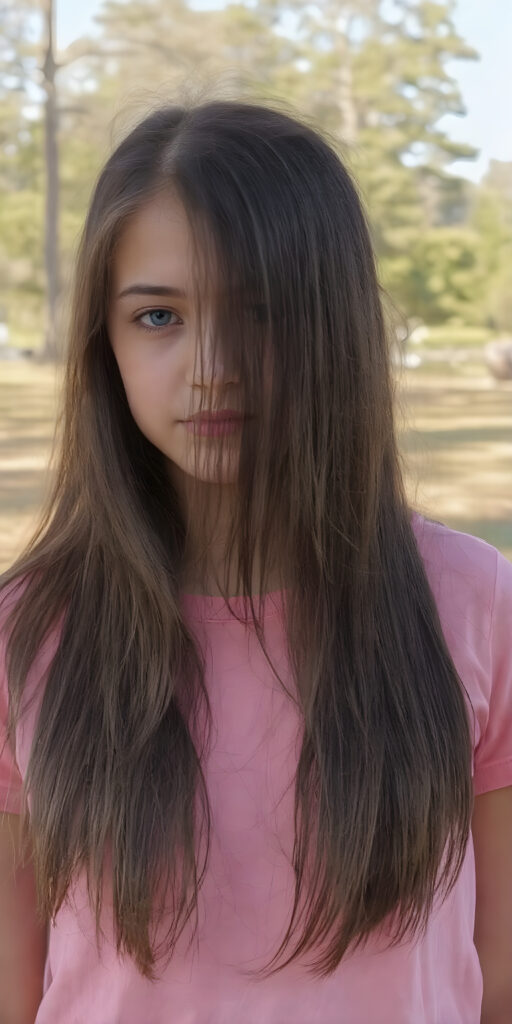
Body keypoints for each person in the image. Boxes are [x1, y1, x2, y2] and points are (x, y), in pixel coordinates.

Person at [0, 98, 511, 1024]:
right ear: (102, 343)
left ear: (338, 324)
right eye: (158, 316)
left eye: (264, 312)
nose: (213, 366)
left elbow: (500, 972)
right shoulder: (25, 631)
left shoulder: (475, 605)